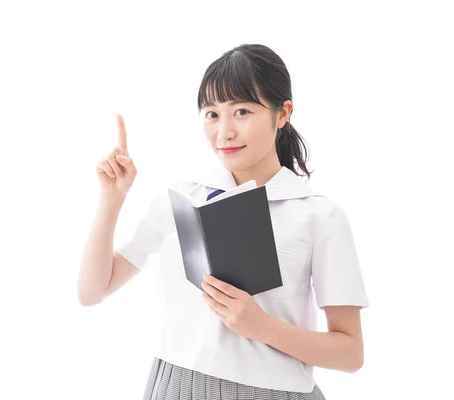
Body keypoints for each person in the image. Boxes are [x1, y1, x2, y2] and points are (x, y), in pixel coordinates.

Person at [77, 43, 369, 400]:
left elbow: (350, 354)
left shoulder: (318, 216)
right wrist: (112, 199)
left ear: (283, 113)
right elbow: (92, 291)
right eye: (212, 114)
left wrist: (262, 327)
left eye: (242, 111)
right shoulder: (183, 199)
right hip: (175, 388)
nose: (224, 132)